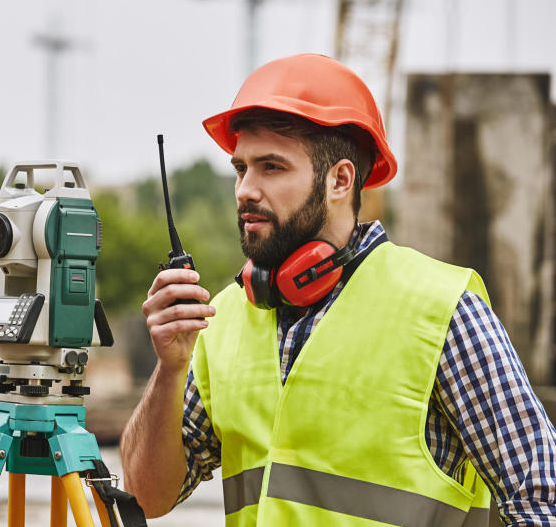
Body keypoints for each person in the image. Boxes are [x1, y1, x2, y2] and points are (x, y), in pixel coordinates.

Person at [120, 53, 556, 526]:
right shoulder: (218, 320)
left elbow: (539, 496)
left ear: (340, 180)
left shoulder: (441, 310)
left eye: (272, 167)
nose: (245, 189)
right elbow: (145, 498)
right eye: (240, 168)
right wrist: (170, 368)